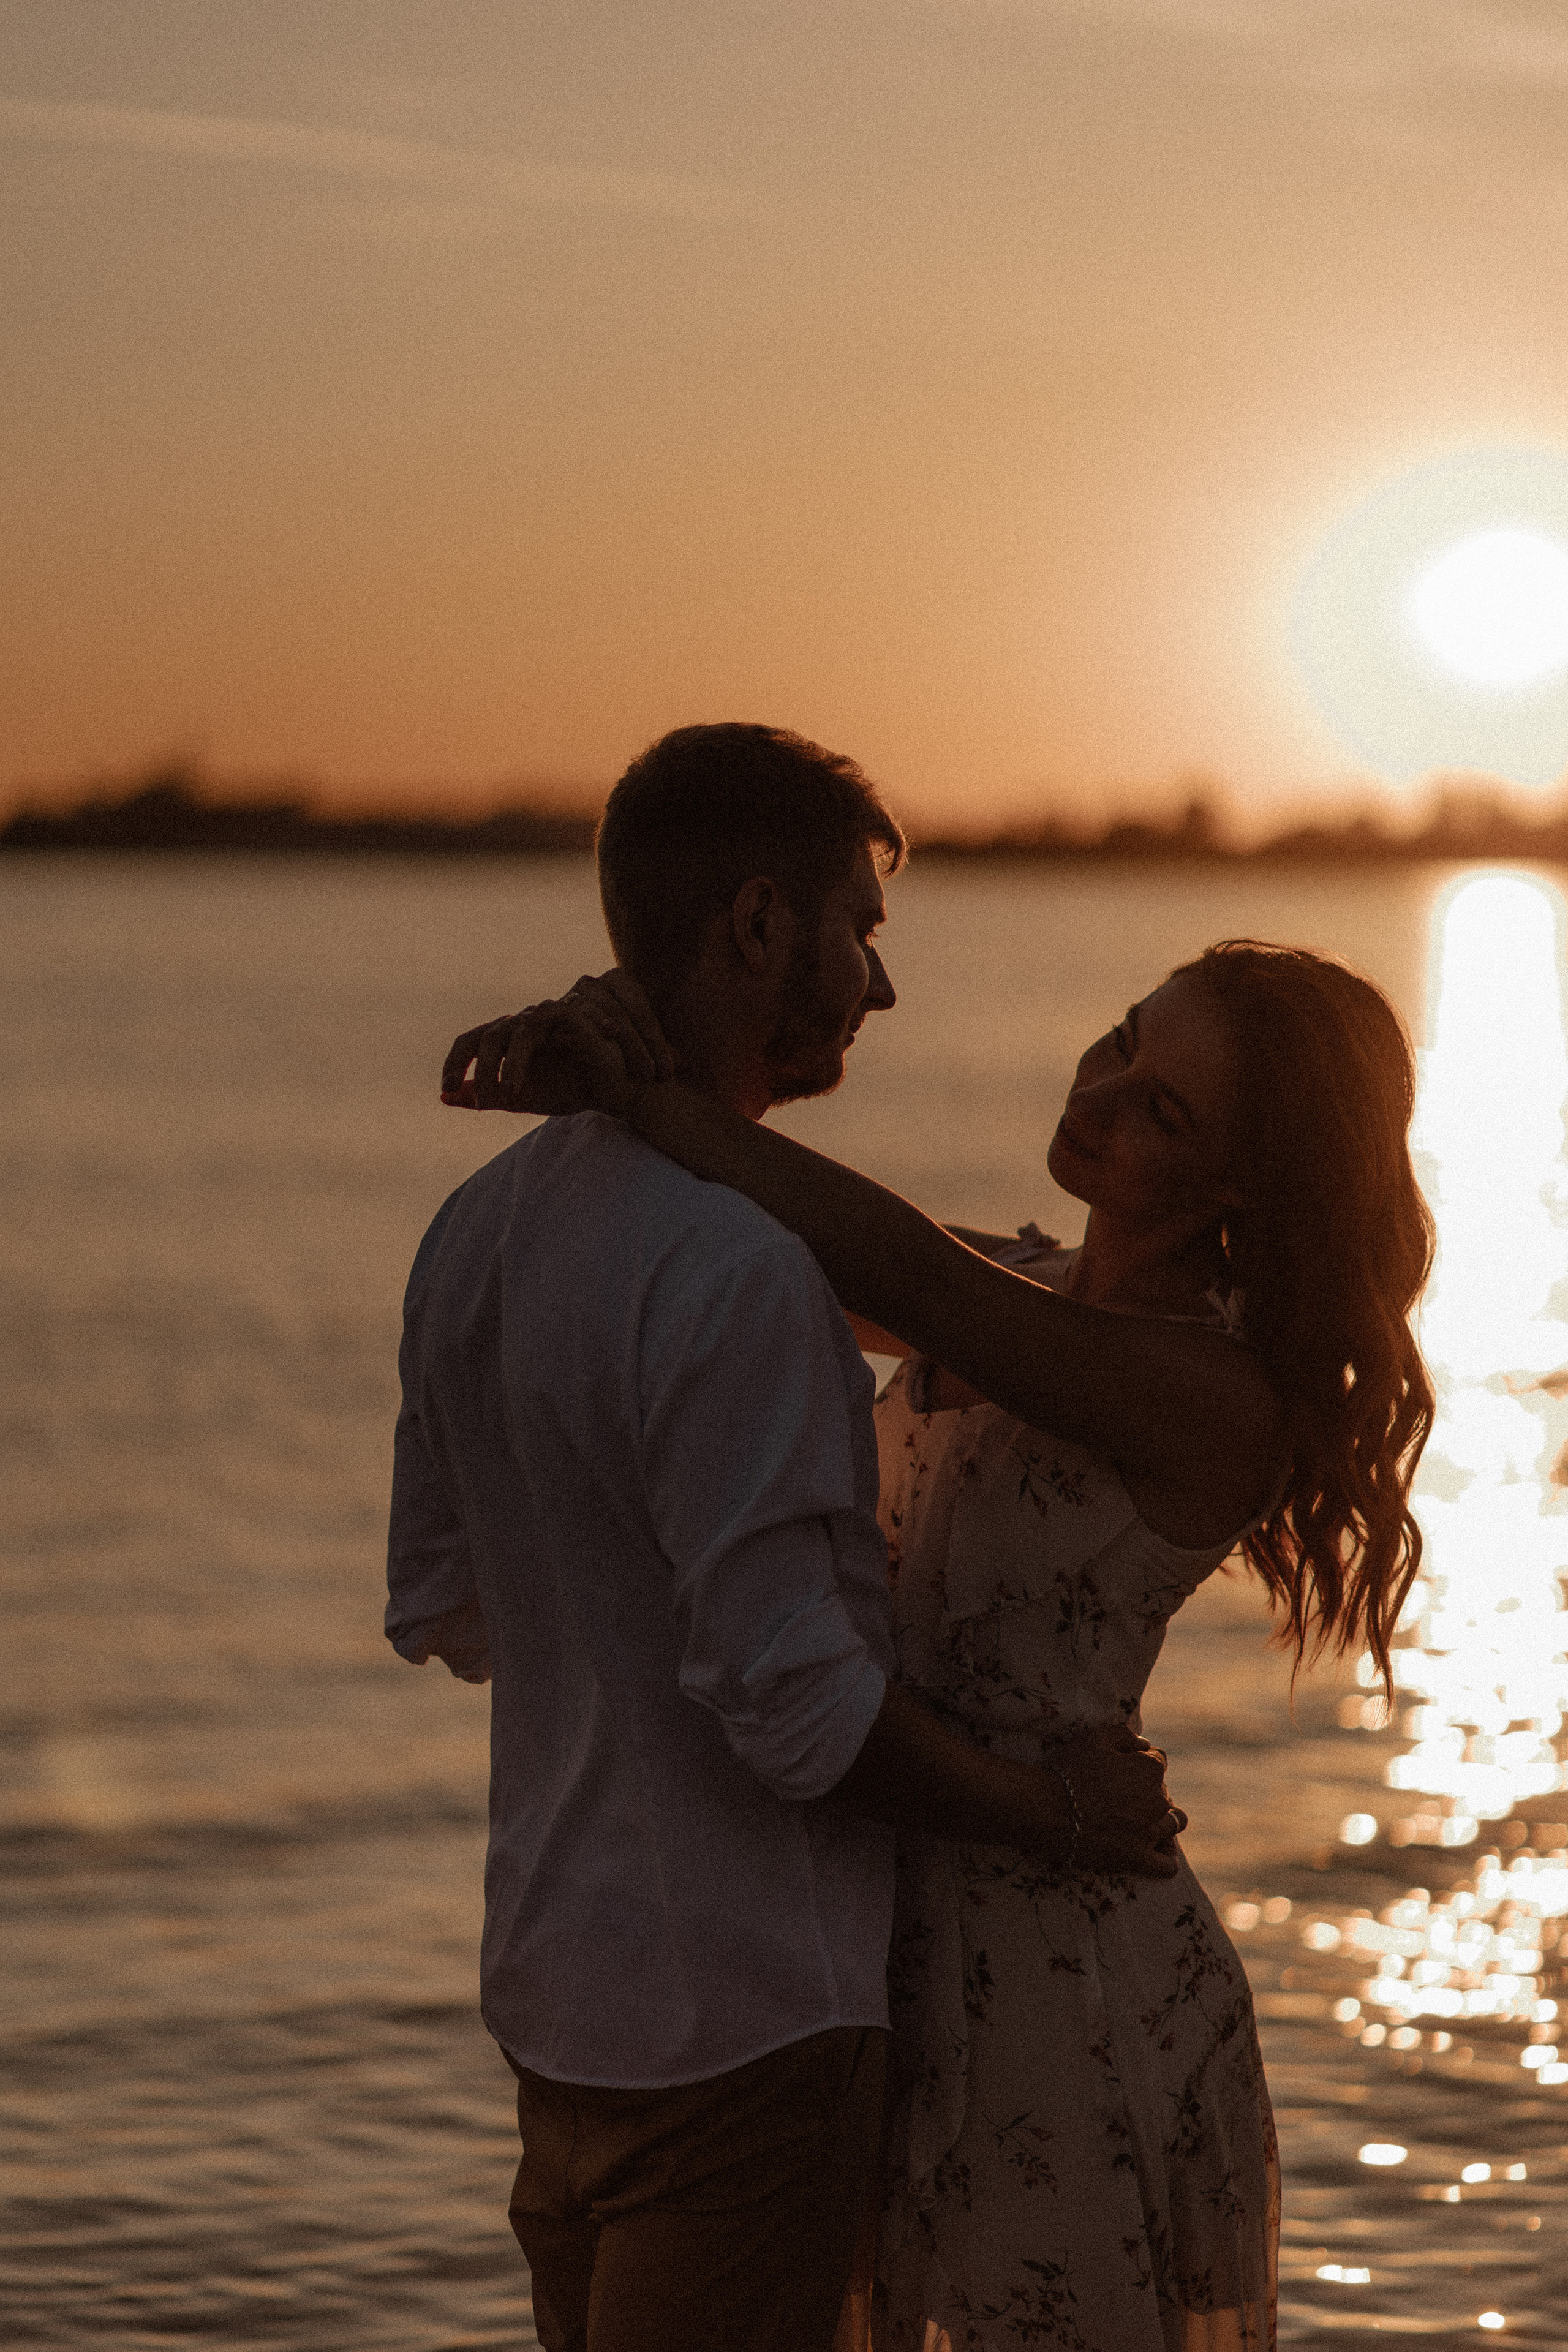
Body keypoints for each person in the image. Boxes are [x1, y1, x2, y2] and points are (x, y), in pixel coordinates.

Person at [443, 931, 1435, 2352]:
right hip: (878, 1929)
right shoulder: (1021, 1281)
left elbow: (907, 1274)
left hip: (1064, 1972)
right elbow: (764, 1238)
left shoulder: (1209, 1390)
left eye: (1159, 1109)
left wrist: (655, 1098)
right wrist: (616, 1060)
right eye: (1118, 1043)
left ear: (1237, 1187)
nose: (1095, 1096)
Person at [391, 723, 1183, 2352]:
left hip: (555, 1998)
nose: (879, 991)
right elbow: (799, 1718)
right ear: (760, 926)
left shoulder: (474, 1229)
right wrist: (1052, 1807)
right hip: (749, 2022)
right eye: (861, 932)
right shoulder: (747, 1272)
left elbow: (450, 1604)